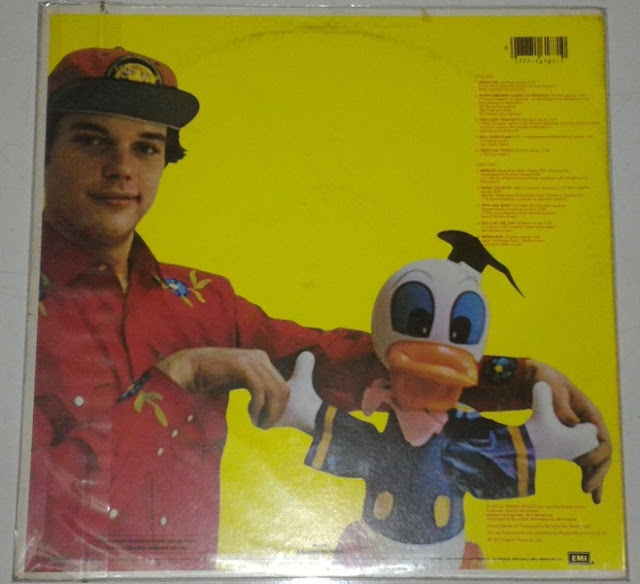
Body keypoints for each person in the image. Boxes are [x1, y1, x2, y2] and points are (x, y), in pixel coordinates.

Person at [25, 47, 612, 574]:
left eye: (146, 147)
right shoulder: (20, 314)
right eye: (91, 140)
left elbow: (342, 364)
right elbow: (36, 519)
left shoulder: (203, 298)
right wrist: (182, 376)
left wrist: (522, 379)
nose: (122, 168)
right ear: (41, 148)